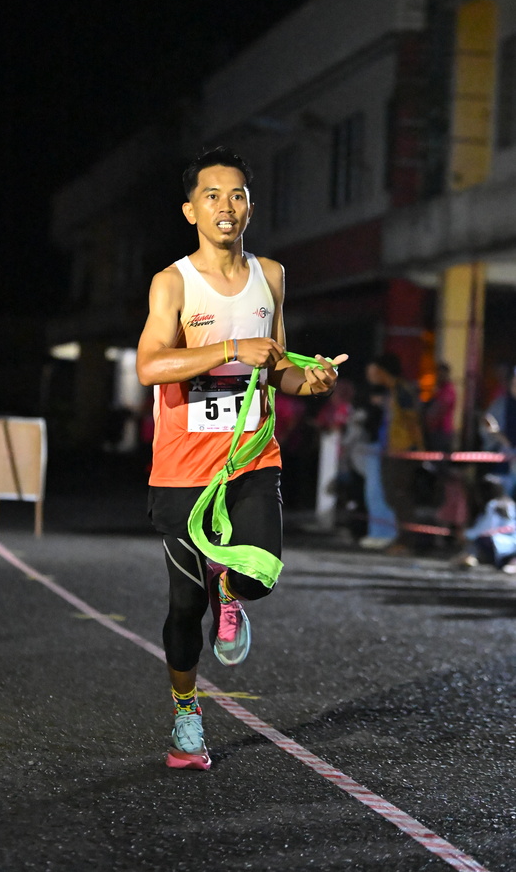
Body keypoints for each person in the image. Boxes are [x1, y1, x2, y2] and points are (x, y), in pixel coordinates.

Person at [136, 146, 347, 770]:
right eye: (212, 196)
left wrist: (311, 382)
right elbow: (151, 365)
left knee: (261, 573)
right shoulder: (173, 282)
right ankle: (186, 715)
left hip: (253, 455)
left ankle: (229, 584)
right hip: (183, 465)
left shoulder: (271, 275)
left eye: (237, 196)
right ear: (191, 211)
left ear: (250, 208)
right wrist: (230, 348)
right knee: (183, 607)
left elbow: (277, 367)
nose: (225, 206)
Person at [359, 353, 424, 552]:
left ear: (381, 370)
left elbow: (413, 421)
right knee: (392, 496)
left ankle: (407, 541)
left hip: (403, 451)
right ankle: (402, 539)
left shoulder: (402, 390)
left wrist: (419, 450)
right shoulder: (393, 391)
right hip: (392, 450)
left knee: (400, 496)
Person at [452, 475, 516, 574]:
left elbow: (485, 528)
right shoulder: (510, 503)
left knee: (479, 540)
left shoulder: (493, 505)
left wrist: (465, 534)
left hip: (498, 544)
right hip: (511, 544)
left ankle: (469, 557)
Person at [480, 368, 516, 499]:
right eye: (514, 383)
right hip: (504, 457)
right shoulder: (501, 404)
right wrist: (499, 436)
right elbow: (486, 421)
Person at [423, 361, 456, 452]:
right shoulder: (439, 390)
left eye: (441, 374)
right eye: (438, 374)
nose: (439, 376)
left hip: (443, 430)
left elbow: (441, 408)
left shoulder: (448, 390)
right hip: (435, 431)